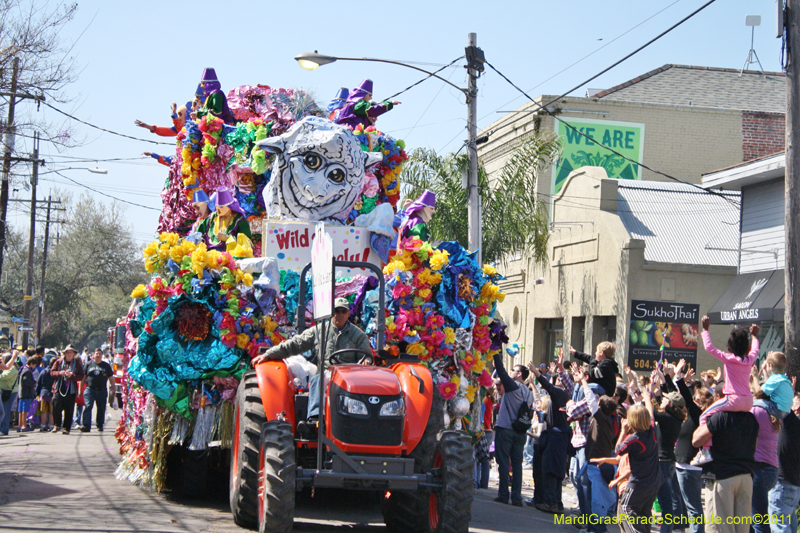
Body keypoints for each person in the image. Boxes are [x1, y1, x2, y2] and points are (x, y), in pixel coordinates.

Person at [250, 297, 371, 431]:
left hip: (349, 378)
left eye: (343, 311)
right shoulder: (319, 331)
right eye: (337, 311)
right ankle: (315, 418)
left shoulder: (359, 335)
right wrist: (269, 354)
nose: (340, 314)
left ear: (348, 314)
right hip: (327, 374)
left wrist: (367, 360)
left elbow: (365, 356)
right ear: (331, 313)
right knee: (318, 379)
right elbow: (294, 344)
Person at [692, 316, 759, 466]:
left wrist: (705, 330)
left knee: (704, 416)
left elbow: (709, 348)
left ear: (729, 348)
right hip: (748, 401)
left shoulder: (728, 358)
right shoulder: (749, 359)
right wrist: (754, 336)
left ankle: (706, 451)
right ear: (746, 349)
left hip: (733, 399)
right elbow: (755, 349)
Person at [692, 408, 759, 533]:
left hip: (722, 477)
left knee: (719, 527)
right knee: (742, 528)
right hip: (745, 476)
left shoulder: (719, 416)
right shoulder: (751, 418)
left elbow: (696, 441)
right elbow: (754, 446)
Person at [671, 360, 713, 533]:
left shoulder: (699, 415)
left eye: (696, 398)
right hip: (681, 464)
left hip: (689, 466)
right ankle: (679, 529)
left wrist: (679, 376)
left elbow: (686, 398)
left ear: (701, 402)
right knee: (682, 502)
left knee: (693, 507)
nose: (693, 400)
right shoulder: (692, 416)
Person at [615, 384, 662, 533]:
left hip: (639, 482)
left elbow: (618, 450)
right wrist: (646, 396)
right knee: (643, 513)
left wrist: (623, 431)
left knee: (625, 510)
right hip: (654, 480)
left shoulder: (634, 439)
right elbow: (650, 413)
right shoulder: (652, 430)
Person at [528, 357, 572, 513]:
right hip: (561, 436)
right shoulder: (567, 395)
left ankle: (551, 503)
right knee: (558, 472)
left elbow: (547, 385)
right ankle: (557, 503)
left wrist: (535, 372)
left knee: (550, 470)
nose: (557, 379)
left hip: (556, 437)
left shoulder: (560, 393)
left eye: (560, 378)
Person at [490, 351, 533, 507]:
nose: (511, 372)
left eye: (514, 370)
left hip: (506, 429)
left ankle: (503, 494)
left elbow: (501, 370)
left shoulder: (513, 386)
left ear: (519, 374)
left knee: (502, 463)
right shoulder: (529, 392)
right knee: (517, 464)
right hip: (520, 432)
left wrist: (495, 351)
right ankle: (516, 497)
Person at [747, 365, 781, 533]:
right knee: (755, 518)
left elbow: (746, 403)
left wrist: (751, 379)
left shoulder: (757, 411)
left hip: (759, 471)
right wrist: (760, 378)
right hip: (771, 470)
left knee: (758, 520)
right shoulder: (774, 410)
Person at [767, 407, 800, 533]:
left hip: (782, 485)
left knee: (780, 528)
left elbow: (782, 403)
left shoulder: (792, 424)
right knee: (790, 526)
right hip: (793, 485)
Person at [335, 79, 400, 129]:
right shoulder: (358, 104)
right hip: (350, 132)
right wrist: (390, 103)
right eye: (369, 95)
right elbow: (370, 110)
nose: (370, 98)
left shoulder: (351, 105)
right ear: (363, 94)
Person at [51, 345, 84, 435]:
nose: (69, 354)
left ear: (73, 354)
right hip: (59, 388)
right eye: (67, 352)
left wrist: (72, 375)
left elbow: (81, 376)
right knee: (56, 406)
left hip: (71, 390)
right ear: (64, 353)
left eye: (71, 352)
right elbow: (52, 372)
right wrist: (59, 373)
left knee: (69, 410)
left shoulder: (77, 363)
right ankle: (57, 425)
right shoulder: (58, 362)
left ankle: (66, 428)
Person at [80, 348, 114, 432]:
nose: (98, 355)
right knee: (88, 406)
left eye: (99, 354)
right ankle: (86, 425)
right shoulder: (88, 364)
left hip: (101, 390)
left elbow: (111, 378)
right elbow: (83, 378)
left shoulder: (106, 366)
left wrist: (113, 389)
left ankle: (99, 424)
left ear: (102, 355)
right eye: (96, 353)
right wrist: (80, 390)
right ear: (93, 355)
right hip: (90, 389)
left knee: (101, 408)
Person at [753, 350, 793, 420]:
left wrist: (755, 377)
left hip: (777, 409)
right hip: (786, 411)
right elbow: (768, 382)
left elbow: (758, 391)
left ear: (771, 366)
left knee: (751, 401)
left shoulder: (775, 379)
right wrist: (765, 369)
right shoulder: (784, 379)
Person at [0, 350, 20, 435]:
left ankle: (4, 429)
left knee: (4, 411)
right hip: (5, 390)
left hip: (8, 391)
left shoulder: (12, 368)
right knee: (2, 411)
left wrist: (14, 357)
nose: (1, 358)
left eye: (2, 358)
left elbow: (5, 374)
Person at [16, 356, 38, 432]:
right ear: (31, 363)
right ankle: (24, 426)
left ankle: (19, 425)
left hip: (21, 393)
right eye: (34, 365)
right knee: (25, 411)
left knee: (20, 410)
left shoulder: (22, 369)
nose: (35, 367)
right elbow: (27, 381)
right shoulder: (27, 371)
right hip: (26, 393)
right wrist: (34, 382)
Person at [37, 351, 55, 432]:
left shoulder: (43, 371)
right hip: (53, 393)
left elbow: (38, 382)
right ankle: (51, 426)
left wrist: (37, 393)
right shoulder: (55, 373)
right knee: (52, 411)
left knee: (43, 411)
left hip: (43, 393)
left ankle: (43, 426)